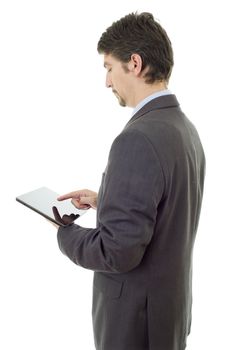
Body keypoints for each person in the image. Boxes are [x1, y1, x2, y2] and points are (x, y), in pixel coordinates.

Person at [54, 12, 205, 350]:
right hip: (168, 316)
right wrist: (104, 199)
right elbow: (167, 210)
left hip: (135, 327)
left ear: (134, 64)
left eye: (109, 67)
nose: (107, 81)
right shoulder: (185, 129)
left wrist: (64, 231)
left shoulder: (137, 139)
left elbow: (116, 252)